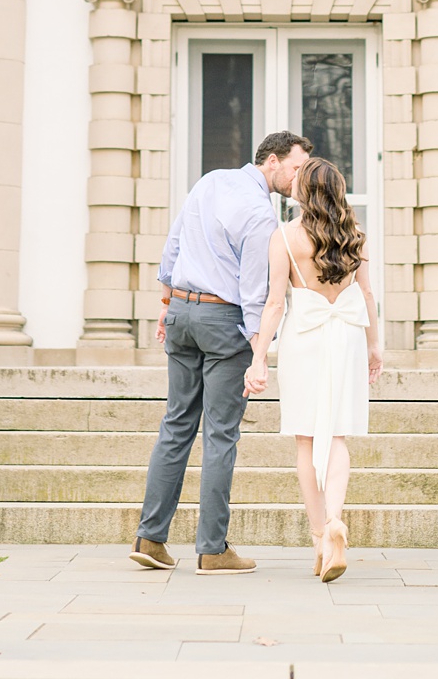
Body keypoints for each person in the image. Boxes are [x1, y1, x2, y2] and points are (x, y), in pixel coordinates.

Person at [131, 129, 313, 574]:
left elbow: (173, 244)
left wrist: (165, 304)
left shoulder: (210, 180)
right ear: (272, 162)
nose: (299, 175)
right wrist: (259, 351)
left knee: (176, 424)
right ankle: (212, 548)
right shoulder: (260, 216)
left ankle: (150, 539)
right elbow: (255, 293)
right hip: (222, 321)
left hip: (180, 312)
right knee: (220, 434)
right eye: (296, 166)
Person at [248, 154, 379, 582]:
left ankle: (320, 535)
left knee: (306, 441)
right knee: (337, 434)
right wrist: (375, 346)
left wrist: (258, 359)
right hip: (346, 336)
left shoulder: (285, 236)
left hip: (305, 338)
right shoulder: (354, 235)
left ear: (302, 191)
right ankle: (336, 519)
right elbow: (367, 295)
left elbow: (273, 305)